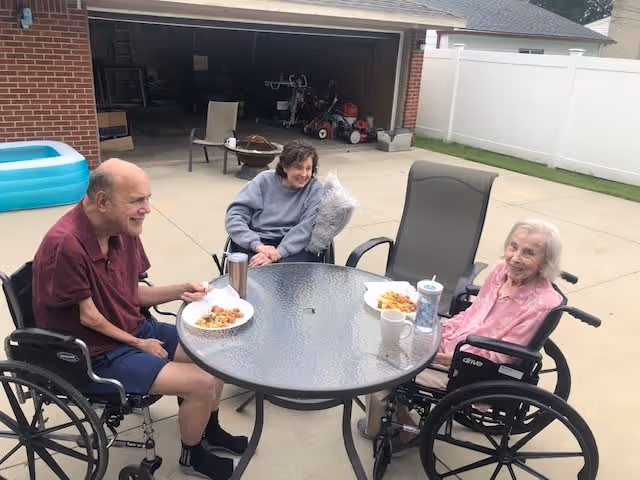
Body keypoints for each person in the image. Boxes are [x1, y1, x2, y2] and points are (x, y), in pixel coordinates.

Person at [32, 158, 247, 480]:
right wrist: (139, 343)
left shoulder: (122, 227)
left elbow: (130, 293)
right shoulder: (66, 245)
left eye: (147, 198)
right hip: (95, 353)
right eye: (137, 200)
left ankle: (209, 431)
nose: (147, 208)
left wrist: (180, 290)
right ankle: (193, 456)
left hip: (130, 326)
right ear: (103, 201)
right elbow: (89, 318)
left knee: (214, 355)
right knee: (200, 382)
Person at [359, 219, 564, 451]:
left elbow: (500, 357)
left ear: (545, 262)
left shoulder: (542, 303)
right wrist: (440, 330)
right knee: (395, 330)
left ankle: (394, 427)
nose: (515, 257)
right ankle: (395, 409)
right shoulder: (500, 272)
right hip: (455, 344)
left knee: (384, 365)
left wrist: (441, 356)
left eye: (529, 253)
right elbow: (472, 315)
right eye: (513, 246)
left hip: (470, 370)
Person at [225, 140, 324, 267]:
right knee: (246, 273)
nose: (304, 174)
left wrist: (278, 253)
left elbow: (305, 228)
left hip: (292, 246)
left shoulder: (314, 189)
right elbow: (235, 216)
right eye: (298, 167)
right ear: (285, 167)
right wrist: (257, 245)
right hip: (256, 240)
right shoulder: (263, 180)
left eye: (308, 168)